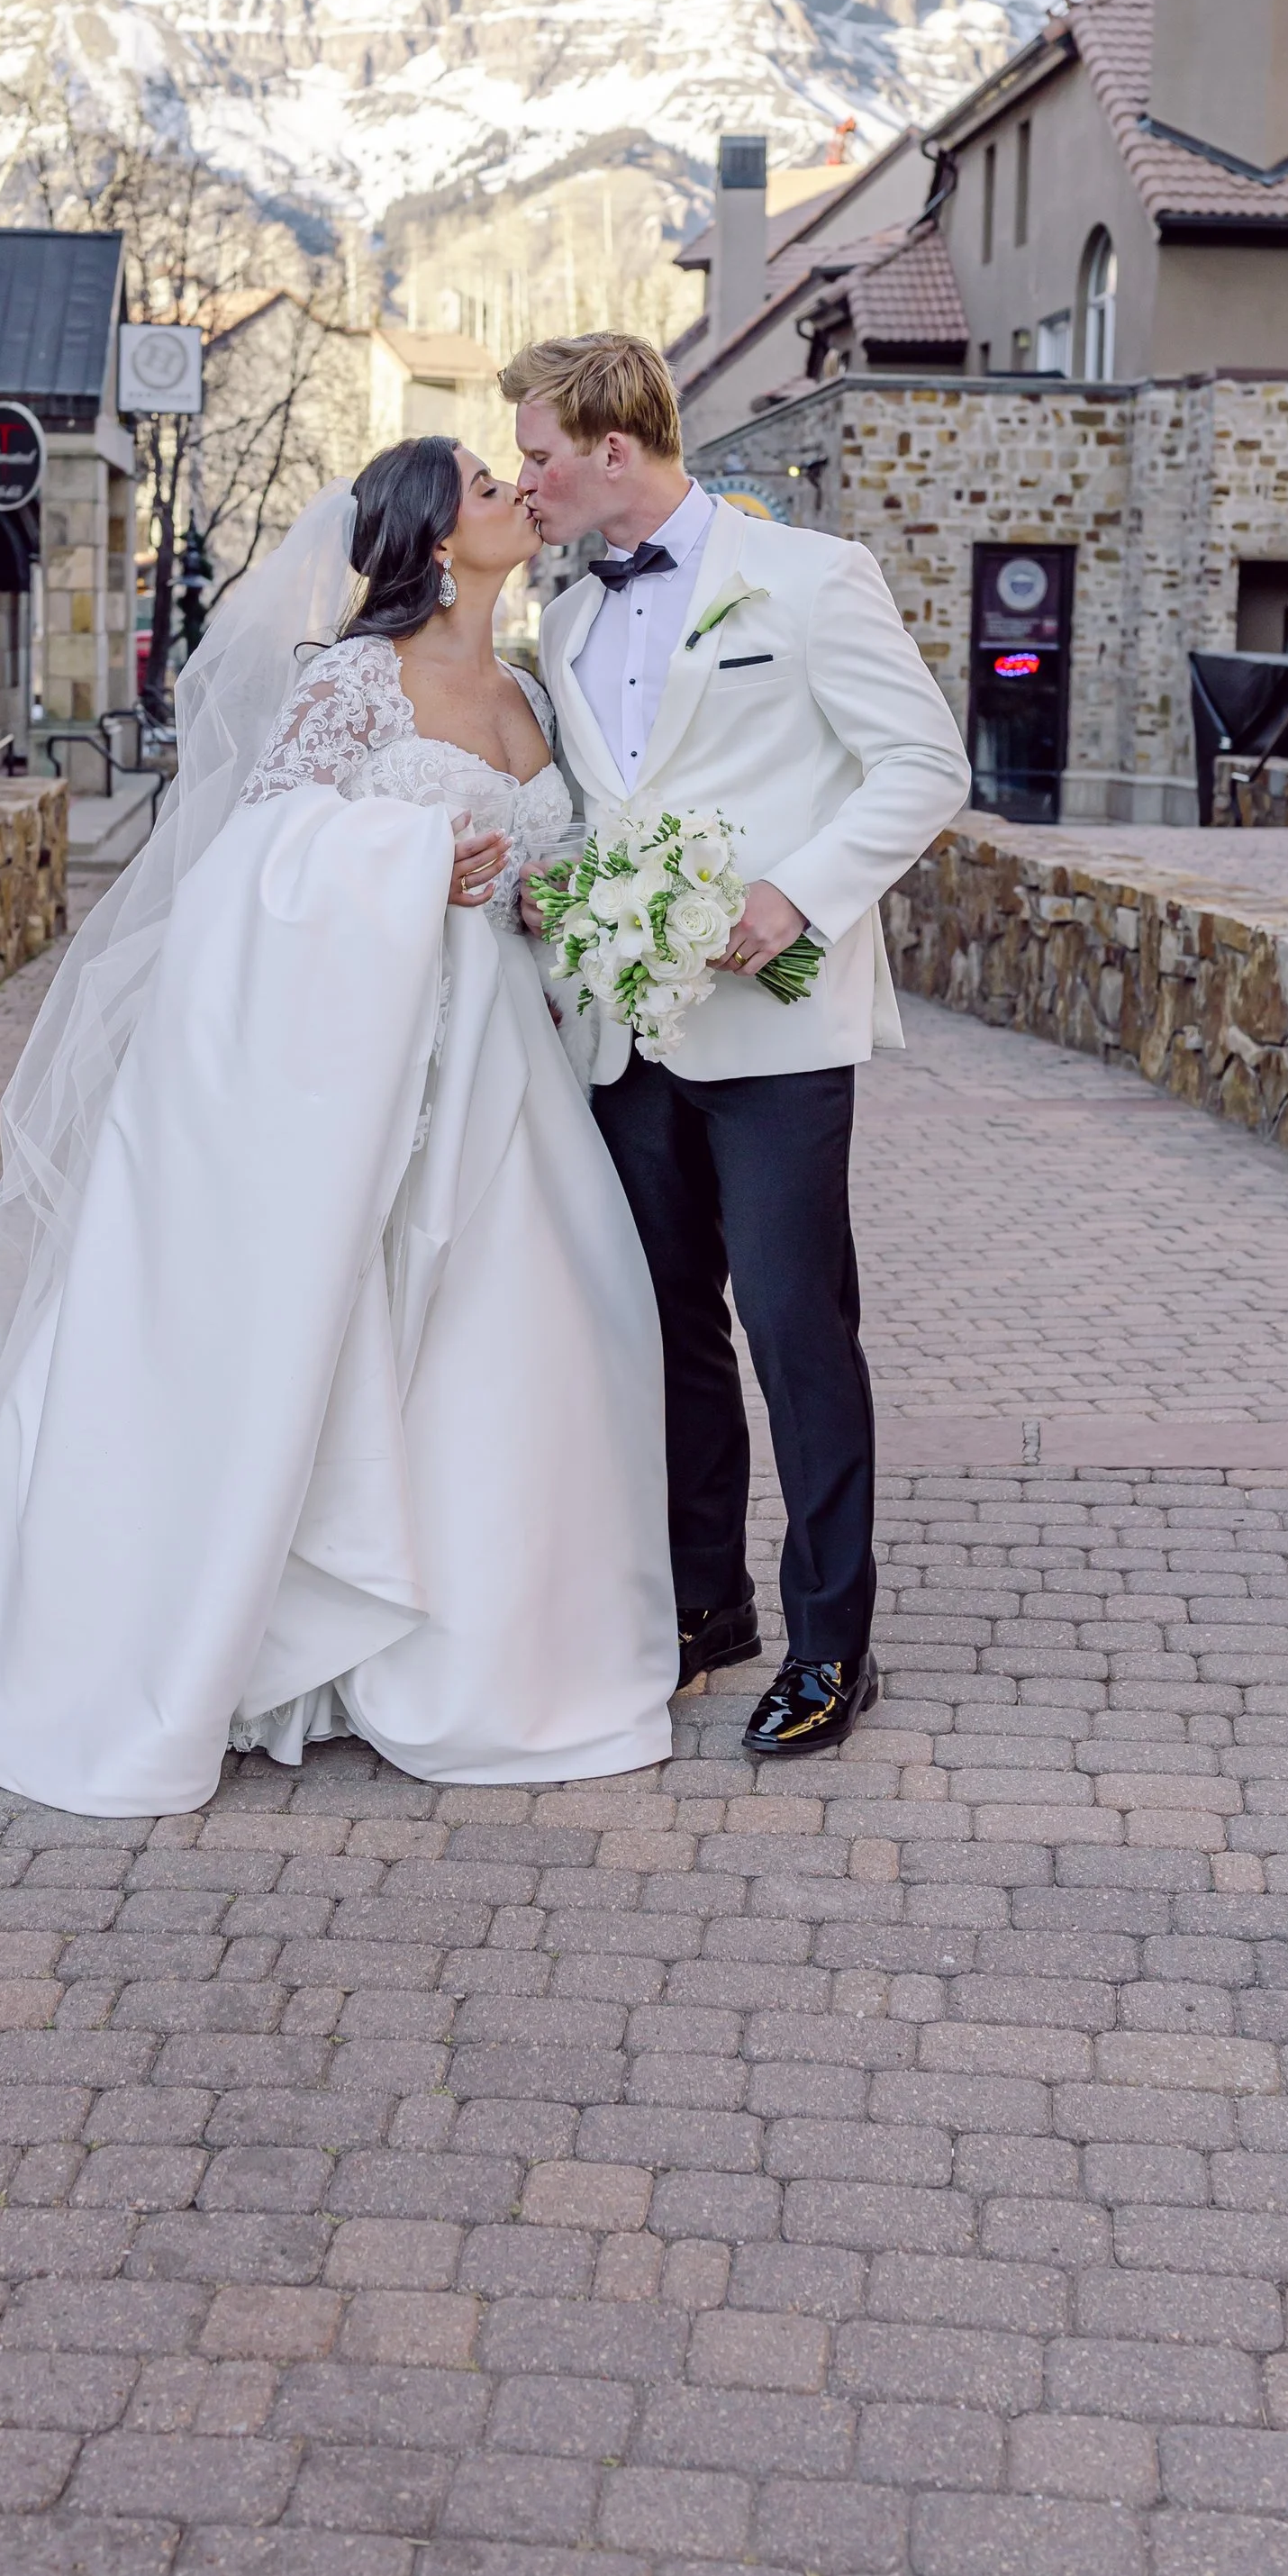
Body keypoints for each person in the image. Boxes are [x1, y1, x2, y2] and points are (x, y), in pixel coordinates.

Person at [0, 441, 676, 1818]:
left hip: (504, 1066)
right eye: (489, 486)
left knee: (526, 1341)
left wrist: (566, 909)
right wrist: (403, 866)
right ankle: (285, 1636)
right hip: (358, 1077)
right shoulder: (350, 683)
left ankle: (482, 1652)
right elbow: (251, 872)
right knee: (339, 1337)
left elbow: (543, 871)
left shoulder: (528, 687)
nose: (516, 492)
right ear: (439, 540)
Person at [511, 331, 971, 1759]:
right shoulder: (567, 625)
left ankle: (835, 1643)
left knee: (793, 1332)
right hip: (629, 1037)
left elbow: (924, 764)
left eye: (537, 454)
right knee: (664, 1335)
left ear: (610, 448)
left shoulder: (814, 578)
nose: (523, 482)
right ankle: (705, 1607)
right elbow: (604, 810)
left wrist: (798, 897)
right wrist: (559, 894)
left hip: (777, 1029)